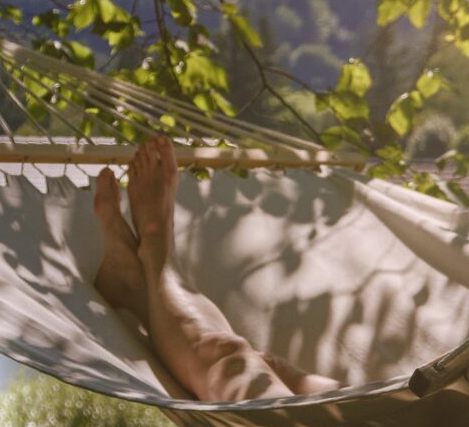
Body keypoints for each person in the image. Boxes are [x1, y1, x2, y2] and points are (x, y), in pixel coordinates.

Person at [92, 135, 338, 402]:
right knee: (267, 367)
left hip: (311, 425)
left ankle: (156, 249)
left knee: (230, 359)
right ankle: (143, 294)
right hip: (362, 410)